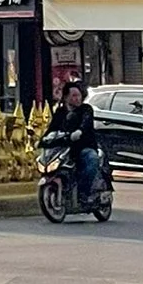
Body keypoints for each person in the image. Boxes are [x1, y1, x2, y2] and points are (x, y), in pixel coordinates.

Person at [49, 79, 101, 207]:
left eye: (78, 95)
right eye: (74, 96)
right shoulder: (60, 112)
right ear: (66, 97)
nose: (77, 98)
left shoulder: (86, 109)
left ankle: (84, 193)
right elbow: (52, 128)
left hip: (84, 147)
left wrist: (79, 131)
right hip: (65, 149)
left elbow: (86, 122)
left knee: (92, 158)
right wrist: (44, 139)